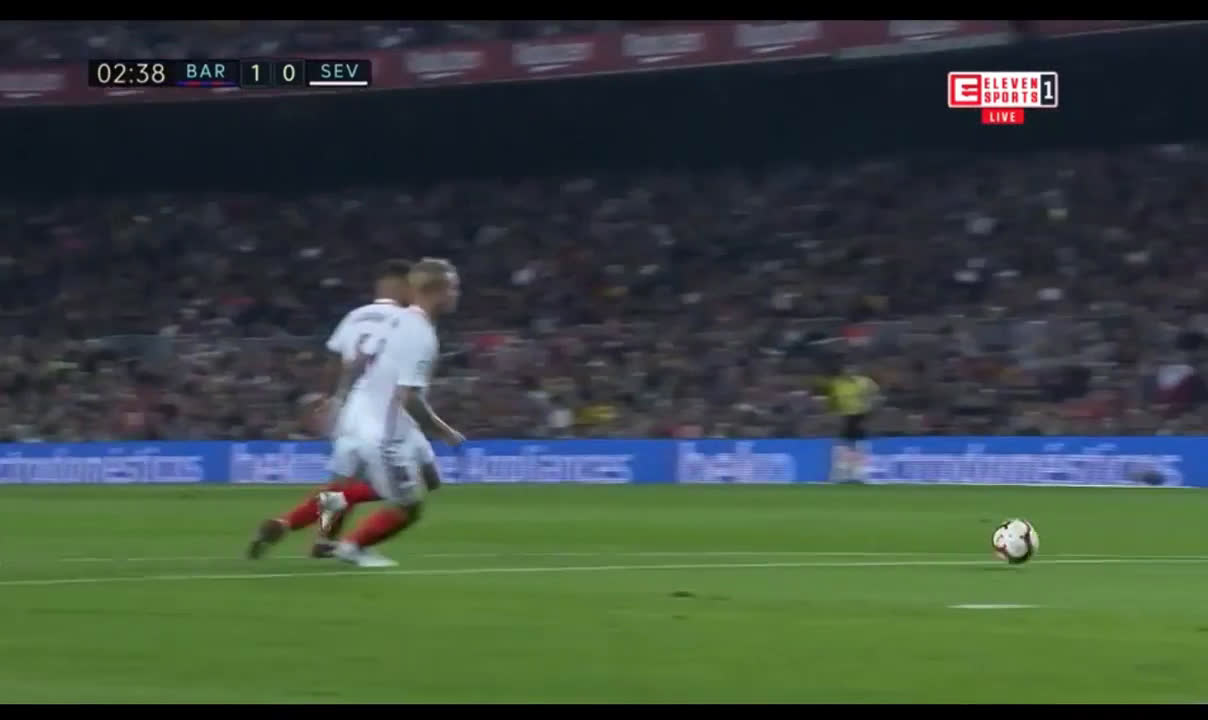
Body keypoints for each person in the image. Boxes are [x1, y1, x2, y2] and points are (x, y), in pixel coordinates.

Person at [245, 259, 413, 559]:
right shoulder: (407, 321)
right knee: (394, 489)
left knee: (342, 485)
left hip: (347, 411)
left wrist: (327, 398)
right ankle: (296, 524)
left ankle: (318, 538)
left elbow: (333, 362)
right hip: (380, 416)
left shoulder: (354, 317)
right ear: (401, 285)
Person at [319, 258, 465, 567]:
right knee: (409, 505)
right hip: (382, 432)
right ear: (436, 291)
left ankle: (324, 537)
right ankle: (352, 547)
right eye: (453, 288)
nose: (456, 294)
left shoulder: (393, 320)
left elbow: (356, 363)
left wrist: (339, 400)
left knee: (338, 486)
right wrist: (445, 431)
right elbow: (408, 397)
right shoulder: (421, 333)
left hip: (353, 417)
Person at [826, 361, 880, 483]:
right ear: (843, 371)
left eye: (852, 369)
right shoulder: (837, 384)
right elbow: (832, 401)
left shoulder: (865, 382)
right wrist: (834, 414)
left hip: (860, 416)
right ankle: (840, 475)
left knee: (860, 446)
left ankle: (860, 475)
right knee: (842, 446)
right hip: (844, 416)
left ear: (856, 370)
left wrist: (870, 410)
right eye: (847, 369)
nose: (849, 372)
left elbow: (877, 396)